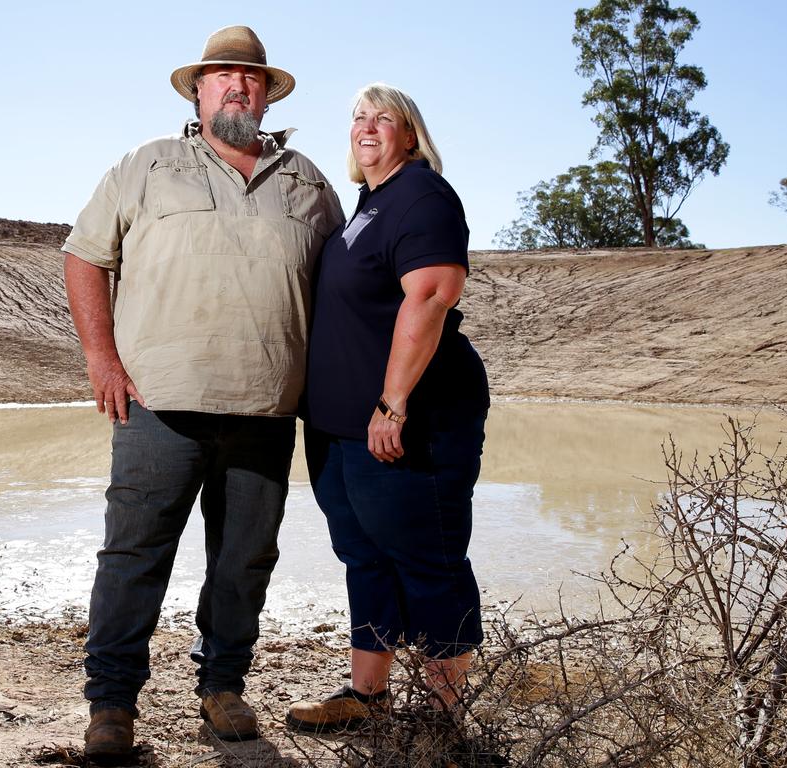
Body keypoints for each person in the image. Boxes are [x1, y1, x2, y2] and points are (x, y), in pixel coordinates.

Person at [62, 25, 343, 761]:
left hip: (268, 408)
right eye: (222, 76)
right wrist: (101, 358)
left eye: (250, 78)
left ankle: (222, 687)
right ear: (199, 89)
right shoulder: (147, 165)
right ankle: (112, 704)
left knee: (245, 560)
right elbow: (85, 257)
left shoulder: (308, 182)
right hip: (157, 403)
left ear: (267, 92)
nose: (237, 87)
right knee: (133, 556)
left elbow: (346, 288)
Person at [286, 83, 490, 733]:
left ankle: (443, 719)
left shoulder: (423, 196)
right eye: (357, 118)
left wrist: (393, 402)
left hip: (410, 420)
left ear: (410, 134)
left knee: (426, 559)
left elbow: (430, 296)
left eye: (384, 118)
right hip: (341, 427)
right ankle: (368, 698)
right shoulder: (368, 204)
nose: (367, 127)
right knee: (364, 555)